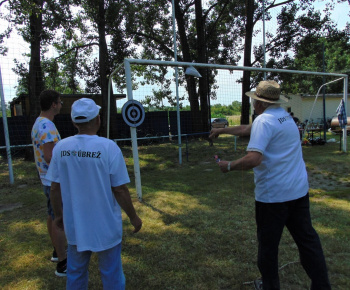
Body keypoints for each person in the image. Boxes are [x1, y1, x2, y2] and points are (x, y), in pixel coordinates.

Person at [209, 80, 331, 290]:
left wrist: (228, 166)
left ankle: (269, 285)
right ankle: (322, 286)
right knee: (308, 242)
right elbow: (249, 128)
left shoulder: (264, 121)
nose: (253, 104)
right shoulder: (285, 117)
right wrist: (223, 131)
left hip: (273, 197)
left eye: (254, 100)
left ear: (259, 103)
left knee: (268, 247)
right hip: (298, 191)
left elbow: (254, 159)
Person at [46, 98, 142, 289]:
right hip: (105, 226)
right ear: (98, 120)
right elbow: (120, 189)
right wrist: (133, 217)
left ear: (74, 122)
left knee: (76, 272)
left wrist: (59, 216)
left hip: (76, 225)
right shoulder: (108, 148)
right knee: (112, 273)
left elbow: (54, 188)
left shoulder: (61, 148)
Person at [31, 89, 67, 277]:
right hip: (53, 180)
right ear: (53, 104)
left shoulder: (39, 123)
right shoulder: (47, 126)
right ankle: (63, 263)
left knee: (51, 214)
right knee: (58, 219)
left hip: (47, 178)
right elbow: (49, 156)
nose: (61, 105)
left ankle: (57, 251)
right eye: (60, 102)